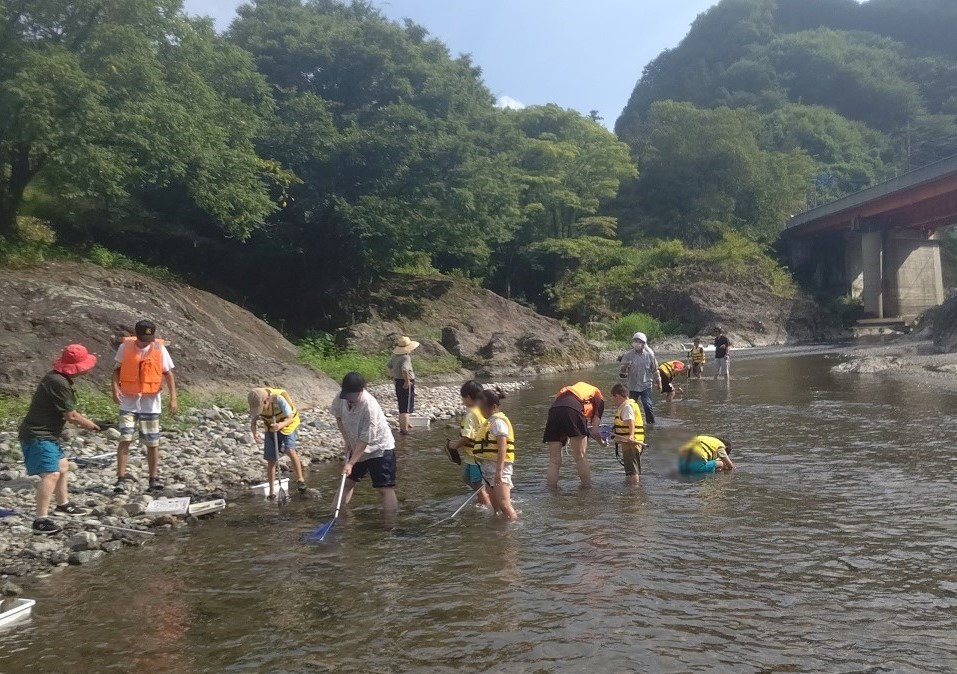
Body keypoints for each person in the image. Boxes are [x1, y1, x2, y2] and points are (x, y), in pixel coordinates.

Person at [18, 345, 98, 534]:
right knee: (50, 474)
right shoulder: (58, 382)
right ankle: (40, 520)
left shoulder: (60, 379)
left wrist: (92, 422)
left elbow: (67, 413)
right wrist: (91, 425)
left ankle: (63, 503)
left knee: (62, 466)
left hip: (48, 434)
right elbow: (70, 416)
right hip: (37, 434)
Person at [112, 320, 177, 493]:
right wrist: (114, 389)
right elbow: (116, 370)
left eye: (148, 338)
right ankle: (120, 479)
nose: (145, 342)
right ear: (136, 335)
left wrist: (173, 399)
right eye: (142, 338)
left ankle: (153, 479)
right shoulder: (125, 348)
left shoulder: (159, 349)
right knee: (125, 439)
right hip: (128, 402)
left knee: (152, 443)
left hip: (151, 404)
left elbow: (168, 374)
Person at [331, 372, 398, 515]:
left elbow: (365, 440)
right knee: (346, 483)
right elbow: (338, 418)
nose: (350, 401)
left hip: (379, 448)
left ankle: (391, 526)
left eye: (353, 397)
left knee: (384, 488)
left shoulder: (369, 406)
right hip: (356, 447)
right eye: (347, 396)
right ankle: (336, 519)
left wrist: (350, 463)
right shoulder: (340, 397)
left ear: (362, 389)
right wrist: (347, 440)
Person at [248, 387, 308, 499]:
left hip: (288, 426)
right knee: (271, 460)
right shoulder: (257, 403)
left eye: (261, 408)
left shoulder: (279, 399)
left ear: (266, 400)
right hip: (270, 428)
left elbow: (290, 418)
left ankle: (300, 479)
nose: (260, 411)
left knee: (289, 450)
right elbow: (253, 422)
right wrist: (254, 433)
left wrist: (280, 425)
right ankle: (272, 491)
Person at [544, 381, 605, 488]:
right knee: (580, 457)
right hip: (573, 410)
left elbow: (564, 412)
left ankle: (551, 491)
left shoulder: (570, 392)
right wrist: (602, 443)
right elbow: (595, 432)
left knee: (554, 460)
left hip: (554, 410)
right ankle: (587, 488)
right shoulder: (598, 397)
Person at [473, 388, 518, 521]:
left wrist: (499, 472)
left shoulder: (498, 422)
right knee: (496, 506)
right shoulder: (489, 422)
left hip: (499, 469)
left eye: (483, 408)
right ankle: (498, 529)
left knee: (504, 504)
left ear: (493, 407)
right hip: (487, 469)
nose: (481, 411)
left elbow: (502, 447)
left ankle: (513, 528)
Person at [445, 380, 492, 507]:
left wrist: (454, 446)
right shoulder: (484, 411)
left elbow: (467, 437)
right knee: (467, 478)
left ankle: (486, 505)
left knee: (477, 485)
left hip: (474, 456)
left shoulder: (471, 414)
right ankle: (487, 498)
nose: (463, 400)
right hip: (483, 453)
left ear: (469, 397)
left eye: (463, 397)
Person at [618, 332, 659, 424]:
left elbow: (655, 369)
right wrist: (625, 366)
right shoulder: (628, 355)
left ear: (644, 343)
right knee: (630, 406)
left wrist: (658, 382)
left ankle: (651, 425)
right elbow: (621, 372)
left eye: (639, 341)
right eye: (635, 341)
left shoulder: (649, 355)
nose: (636, 343)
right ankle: (630, 424)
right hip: (632, 385)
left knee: (647, 405)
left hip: (646, 385)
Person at [610, 383, 644, 486]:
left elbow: (631, 421)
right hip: (628, 441)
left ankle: (634, 490)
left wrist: (631, 435)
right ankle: (632, 486)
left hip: (631, 442)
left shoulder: (627, 407)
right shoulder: (629, 405)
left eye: (614, 397)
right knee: (631, 468)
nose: (613, 400)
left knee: (633, 469)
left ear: (618, 396)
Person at [387, 336, 419, 435]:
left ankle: (406, 423)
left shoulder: (395, 357)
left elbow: (389, 366)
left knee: (402, 405)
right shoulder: (406, 357)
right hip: (405, 382)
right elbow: (405, 369)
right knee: (405, 408)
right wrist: (406, 381)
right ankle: (404, 430)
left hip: (397, 381)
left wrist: (394, 376)